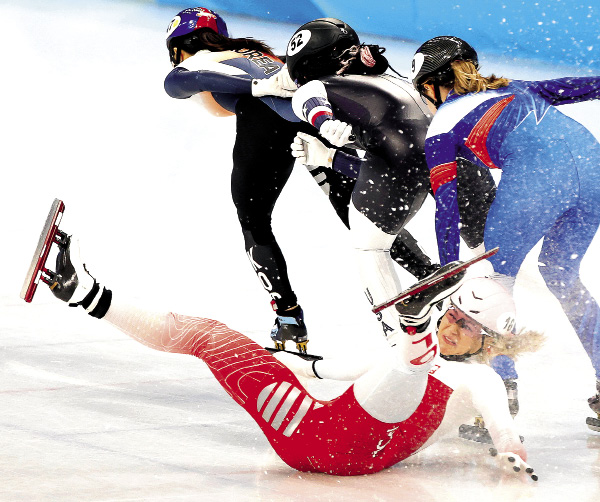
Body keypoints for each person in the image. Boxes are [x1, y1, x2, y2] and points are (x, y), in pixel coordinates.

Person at [33, 216, 537, 480]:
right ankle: (80, 289)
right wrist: (279, 361)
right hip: (306, 435)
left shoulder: (481, 379)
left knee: (412, 366)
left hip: (353, 445)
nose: (455, 327)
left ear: (490, 343)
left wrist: (511, 452)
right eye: (451, 314)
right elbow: (326, 370)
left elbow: (502, 427)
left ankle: (413, 332)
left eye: (466, 326)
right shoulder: (400, 362)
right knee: (210, 336)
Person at [410, 35, 600, 425]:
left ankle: (503, 394)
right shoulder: (517, 87)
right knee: (561, 272)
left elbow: (447, 205)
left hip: (535, 181)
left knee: (495, 282)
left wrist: (448, 269)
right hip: (596, 171)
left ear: (430, 85)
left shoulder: (442, 124)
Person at [162, 8, 440, 353]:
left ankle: (289, 320)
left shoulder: (204, 58)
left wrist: (256, 87)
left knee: (254, 222)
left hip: (264, 122)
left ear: (178, 49)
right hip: (307, 117)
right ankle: (428, 272)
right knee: (354, 210)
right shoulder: (262, 54)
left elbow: (176, 82)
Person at [284, 18, 495, 344]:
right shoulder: (396, 77)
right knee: (503, 255)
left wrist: (324, 126)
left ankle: (401, 344)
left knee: (371, 248)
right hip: (455, 151)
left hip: (399, 156)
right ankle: (584, 319)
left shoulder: (319, 85)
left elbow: (307, 101)